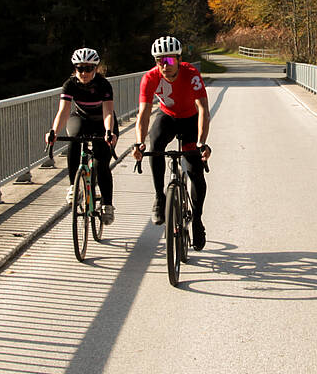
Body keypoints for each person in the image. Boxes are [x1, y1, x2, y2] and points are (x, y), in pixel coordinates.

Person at [131, 35, 212, 249]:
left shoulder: (191, 74)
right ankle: (159, 197)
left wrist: (201, 142)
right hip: (167, 117)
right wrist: (139, 143)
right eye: (159, 61)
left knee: (195, 170)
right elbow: (143, 114)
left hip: (190, 119)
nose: (163, 66)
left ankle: (197, 220)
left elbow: (203, 109)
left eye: (168, 61)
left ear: (178, 59)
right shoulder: (150, 78)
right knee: (155, 145)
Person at [46, 47, 118, 224]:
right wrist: (53, 131)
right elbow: (63, 112)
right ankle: (73, 186)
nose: (84, 73)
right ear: (75, 68)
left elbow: (108, 112)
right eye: (80, 68)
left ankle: (107, 205)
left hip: (102, 121)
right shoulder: (70, 84)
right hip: (82, 118)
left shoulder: (103, 85)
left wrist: (109, 132)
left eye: (88, 68)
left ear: (95, 69)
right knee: (74, 140)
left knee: (102, 165)